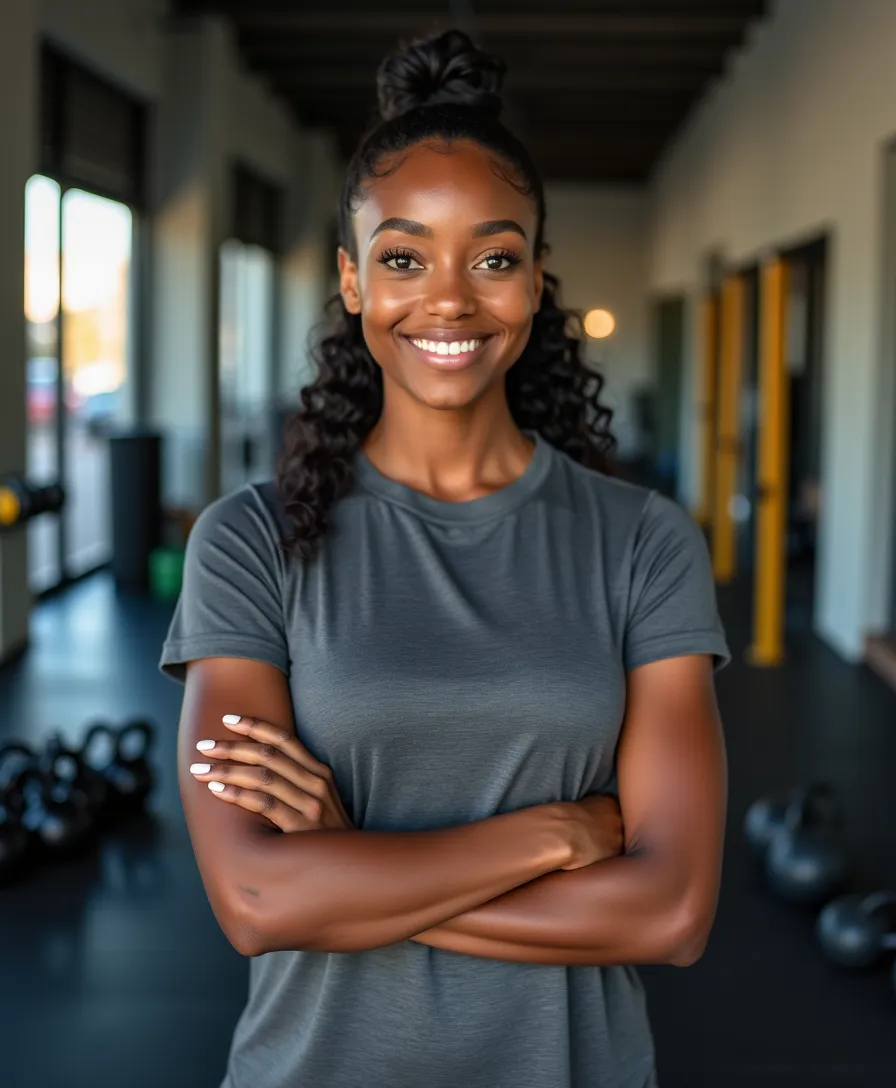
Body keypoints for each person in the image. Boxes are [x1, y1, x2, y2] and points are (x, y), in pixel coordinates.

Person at [159, 29, 729, 1088]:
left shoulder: (642, 543)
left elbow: (671, 909)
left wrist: (354, 864)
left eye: (495, 256)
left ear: (534, 279)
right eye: (404, 256)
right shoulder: (248, 541)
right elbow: (255, 901)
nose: (451, 298)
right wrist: (563, 830)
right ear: (351, 278)